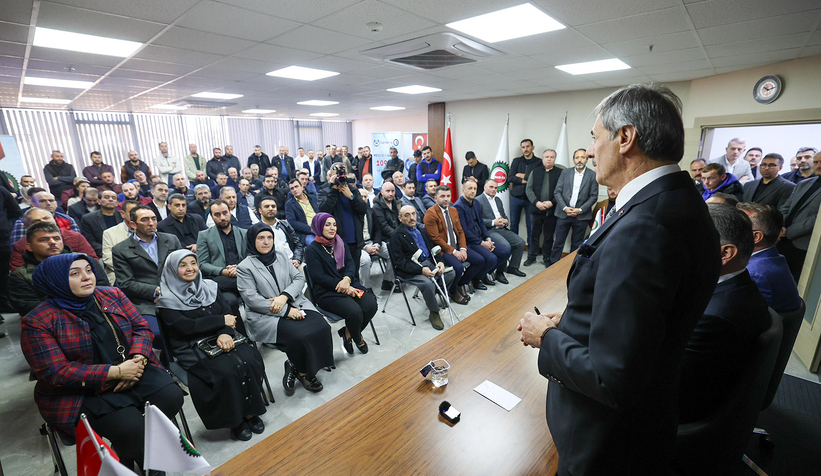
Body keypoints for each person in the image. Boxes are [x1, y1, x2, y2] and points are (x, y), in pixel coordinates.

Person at [518, 84, 721, 475]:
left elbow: (610, 379)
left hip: (606, 440)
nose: (590, 151)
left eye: (595, 138)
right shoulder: (679, 201)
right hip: (644, 418)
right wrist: (581, 315)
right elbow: (648, 315)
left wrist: (545, 336)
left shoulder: (644, 227)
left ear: (625, 138)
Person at [20, 253, 183, 473]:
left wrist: (138, 358)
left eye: (89, 270)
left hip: (133, 368)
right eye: (75, 273)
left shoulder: (111, 294)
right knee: (130, 427)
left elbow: (141, 328)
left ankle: (129, 453)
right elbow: (55, 372)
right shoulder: (38, 321)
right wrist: (115, 372)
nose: (87, 277)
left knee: (171, 398)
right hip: (81, 390)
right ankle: (145, 460)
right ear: (55, 280)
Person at [155, 250, 266, 441]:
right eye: (183, 265)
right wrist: (221, 321)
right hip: (190, 345)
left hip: (221, 336)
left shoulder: (211, 287)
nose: (190, 268)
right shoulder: (166, 300)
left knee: (250, 358)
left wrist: (224, 332)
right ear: (172, 270)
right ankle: (236, 420)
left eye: (193, 263)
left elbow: (229, 316)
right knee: (225, 371)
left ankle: (250, 412)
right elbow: (186, 327)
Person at [679, 203, 770, 424]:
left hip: (678, 416)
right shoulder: (738, 286)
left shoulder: (714, 317)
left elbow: (671, 384)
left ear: (725, 253)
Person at [238, 223, 334, 394]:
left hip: (294, 302)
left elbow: (298, 279)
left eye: (269, 237)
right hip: (266, 315)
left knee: (322, 326)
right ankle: (304, 373)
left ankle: (295, 366)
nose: (266, 242)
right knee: (300, 336)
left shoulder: (281, 255)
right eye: (261, 238)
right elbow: (252, 300)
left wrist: (284, 297)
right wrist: (286, 311)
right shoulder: (245, 267)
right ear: (253, 241)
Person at [304, 213, 378, 355]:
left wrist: (347, 280)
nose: (332, 228)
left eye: (334, 224)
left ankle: (347, 333)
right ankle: (358, 338)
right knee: (354, 312)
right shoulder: (311, 250)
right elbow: (319, 277)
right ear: (318, 227)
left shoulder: (339, 241)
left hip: (348, 283)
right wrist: (344, 286)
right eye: (327, 225)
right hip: (327, 291)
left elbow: (350, 263)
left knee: (370, 305)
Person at [112, 205, 182, 343]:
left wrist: (172, 291)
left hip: (178, 295)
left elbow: (183, 269)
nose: (151, 223)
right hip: (147, 302)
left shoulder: (171, 239)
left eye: (153, 219)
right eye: (145, 220)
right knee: (157, 334)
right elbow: (126, 284)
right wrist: (156, 291)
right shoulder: (120, 249)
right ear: (133, 224)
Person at [10, 221, 110, 316]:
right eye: (43, 240)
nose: (52, 242)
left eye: (57, 238)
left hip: (95, 312)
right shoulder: (20, 275)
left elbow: (104, 290)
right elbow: (26, 305)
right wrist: (71, 308)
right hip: (52, 320)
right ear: (29, 247)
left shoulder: (85, 261)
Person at [390, 205, 454, 330]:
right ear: (400, 218)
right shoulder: (396, 236)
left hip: (428, 262)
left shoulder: (422, 230)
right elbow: (400, 263)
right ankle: (434, 312)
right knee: (427, 284)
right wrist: (421, 270)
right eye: (407, 215)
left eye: (413, 214)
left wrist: (440, 262)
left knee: (450, 273)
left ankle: (432, 296)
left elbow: (433, 250)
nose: (411, 218)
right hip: (410, 269)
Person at [424, 186, 486, 305]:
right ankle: (453, 291)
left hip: (457, 246)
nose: (446, 199)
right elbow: (435, 238)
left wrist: (462, 248)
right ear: (436, 198)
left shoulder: (453, 210)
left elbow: (460, 231)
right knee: (458, 267)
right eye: (442, 196)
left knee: (479, 260)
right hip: (443, 250)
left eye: (448, 196)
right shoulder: (430, 214)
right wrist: (454, 251)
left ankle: (460, 284)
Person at [737, 202, 802, 313]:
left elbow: (748, 318)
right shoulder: (774, 257)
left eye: (737, 226)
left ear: (756, 237)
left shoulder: (755, 274)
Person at [455, 179, 512, 286]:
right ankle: (476, 279)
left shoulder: (476, 203)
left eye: (475, 189)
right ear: (463, 190)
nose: (473, 191)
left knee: (505, 252)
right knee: (491, 258)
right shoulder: (458, 206)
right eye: (470, 188)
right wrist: (482, 243)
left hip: (481, 238)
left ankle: (482, 274)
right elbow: (464, 231)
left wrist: (488, 239)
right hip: (469, 242)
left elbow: (481, 223)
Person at [549, 150, 598, 265]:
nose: (579, 160)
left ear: (586, 159)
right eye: (577, 157)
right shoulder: (565, 173)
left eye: (582, 157)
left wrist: (580, 210)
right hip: (563, 214)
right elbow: (557, 192)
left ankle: (571, 266)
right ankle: (553, 264)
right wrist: (565, 207)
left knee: (577, 244)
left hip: (581, 216)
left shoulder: (592, 175)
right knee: (558, 242)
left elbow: (593, 196)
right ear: (573, 159)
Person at [197, 199, 246, 312]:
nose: (222, 218)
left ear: (230, 212)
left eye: (225, 213)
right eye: (217, 215)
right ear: (211, 216)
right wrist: (223, 271)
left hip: (242, 274)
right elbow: (202, 264)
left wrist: (238, 268)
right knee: (230, 301)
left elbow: (250, 257)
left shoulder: (244, 233)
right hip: (220, 279)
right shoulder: (204, 235)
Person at [778, 151, 821, 281]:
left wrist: (788, 232)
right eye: (816, 162)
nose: (818, 165)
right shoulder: (804, 183)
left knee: (796, 283)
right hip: (782, 240)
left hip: (804, 245)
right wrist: (780, 225)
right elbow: (786, 207)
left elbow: (816, 220)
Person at [10, 208, 97, 271]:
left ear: (54, 219)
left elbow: (93, 262)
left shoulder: (75, 237)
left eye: (46, 218)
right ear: (27, 227)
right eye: (36, 221)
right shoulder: (20, 245)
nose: (43, 222)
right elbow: (18, 273)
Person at [318, 164, 368, 272]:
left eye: (343, 174)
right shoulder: (324, 191)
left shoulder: (353, 190)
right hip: (336, 242)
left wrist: (351, 196)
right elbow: (323, 211)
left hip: (355, 241)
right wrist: (334, 191)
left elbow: (363, 209)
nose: (340, 176)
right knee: (339, 275)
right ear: (330, 175)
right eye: (337, 174)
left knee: (354, 274)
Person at [476, 179, 526, 277]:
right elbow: (478, 221)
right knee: (505, 246)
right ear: (485, 187)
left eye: (495, 188)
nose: (494, 190)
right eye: (491, 187)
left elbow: (504, 215)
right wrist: (493, 222)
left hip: (501, 228)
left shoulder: (498, 200)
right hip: (489, 231)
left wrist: (505, 221)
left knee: (520, 243)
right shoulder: (478, 201)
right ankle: (500, 272)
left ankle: (513, 267)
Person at [525, 149, 563, 267]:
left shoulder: (560, 172)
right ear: (542, 159)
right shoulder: (535, 171)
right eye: (547, 157)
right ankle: (531, 256)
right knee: (534, 235)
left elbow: (562, 191)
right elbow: (529, 189)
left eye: (552, 157)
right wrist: (537, 203)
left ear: (555, 159)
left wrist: (551, 203)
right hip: (536, 209)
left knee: (549, 236)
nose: (549, 159)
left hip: (552, 210)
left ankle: (547, 257)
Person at [357, 188, 395, 293]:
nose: (363, 199)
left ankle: (387, 281)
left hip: (372, 242)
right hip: (358, 245)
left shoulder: (370, 211)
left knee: (393, 251)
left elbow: (378, 230)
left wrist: (377, 244)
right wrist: (365, 247)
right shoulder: (351, 213)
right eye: (361, 196)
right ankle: (366, 287)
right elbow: (351, 236)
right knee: (365, 260)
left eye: (365, 197)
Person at [10, 191, 80, 243]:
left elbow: (78, 241)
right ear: (33, 204)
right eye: (42, 201)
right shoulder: (23, 222)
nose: (48, 204)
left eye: (51, 201)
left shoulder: (68, 219)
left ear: (56, 203)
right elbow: (18, 246)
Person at [257, 196, 304, 268]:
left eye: (273, 206)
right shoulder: (256, 229)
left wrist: (296, 259)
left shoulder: (285, 225)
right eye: (267, 206)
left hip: (293, 263)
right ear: (260, 210)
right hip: (272, 267)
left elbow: (297, 245)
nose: (270, 209)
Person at [101, 200, 139, 284]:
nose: (134, 215)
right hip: (120, 275)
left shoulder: (149, 231)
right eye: (131, 212)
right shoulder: (109, 233)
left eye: (136, 212)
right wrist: (135, 269)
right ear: (122, 214)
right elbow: (108, 259)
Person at [508, 139, 540, 239]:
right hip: (515, 198)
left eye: (528, 146)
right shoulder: (516, 161)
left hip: (530, 199)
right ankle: (514, 248)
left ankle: (531, 251)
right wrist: (527, 179)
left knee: (531, 225)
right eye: (523, 147)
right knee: (513, 224)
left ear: (533, 147)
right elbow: (510, 178)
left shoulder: (539, 162)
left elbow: (537, 179)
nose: (525, 149)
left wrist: (520, 175)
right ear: (521, 149)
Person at [80, 190, 121, 257]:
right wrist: (109, 251)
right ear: (99, 201)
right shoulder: (88, 218)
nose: (110, 199)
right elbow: (90, 241)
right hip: (101, 253)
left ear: (117, 203)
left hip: (123, 252)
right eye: (106, 197)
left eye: (113, 198)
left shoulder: (123, 217)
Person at [0, 185, 22, 312]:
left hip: (2, 241)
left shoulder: (1, 190)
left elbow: (15, 211)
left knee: (3, 274)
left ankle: (3, 303)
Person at [285, 178, 317, 245]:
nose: (295, 190)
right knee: (315, 245)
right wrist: (311, 229)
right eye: (292, 188)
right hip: (306, 233)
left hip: (320, 228)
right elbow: (292, 222)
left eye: (296, 186)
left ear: (302, 187)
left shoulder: (312, 198)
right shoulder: (289, 204)